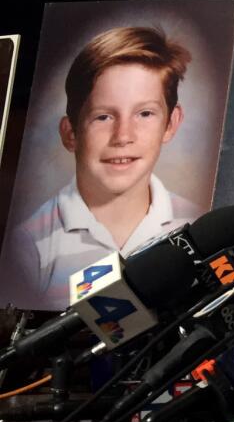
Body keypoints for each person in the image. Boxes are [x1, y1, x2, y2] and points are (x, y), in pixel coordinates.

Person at [9, 26, 204, 309]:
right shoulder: (30, 245)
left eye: (145, 113)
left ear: (171, 123)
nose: (123, 136)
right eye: (103, 117)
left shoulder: (195, 224)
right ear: (70, 133)